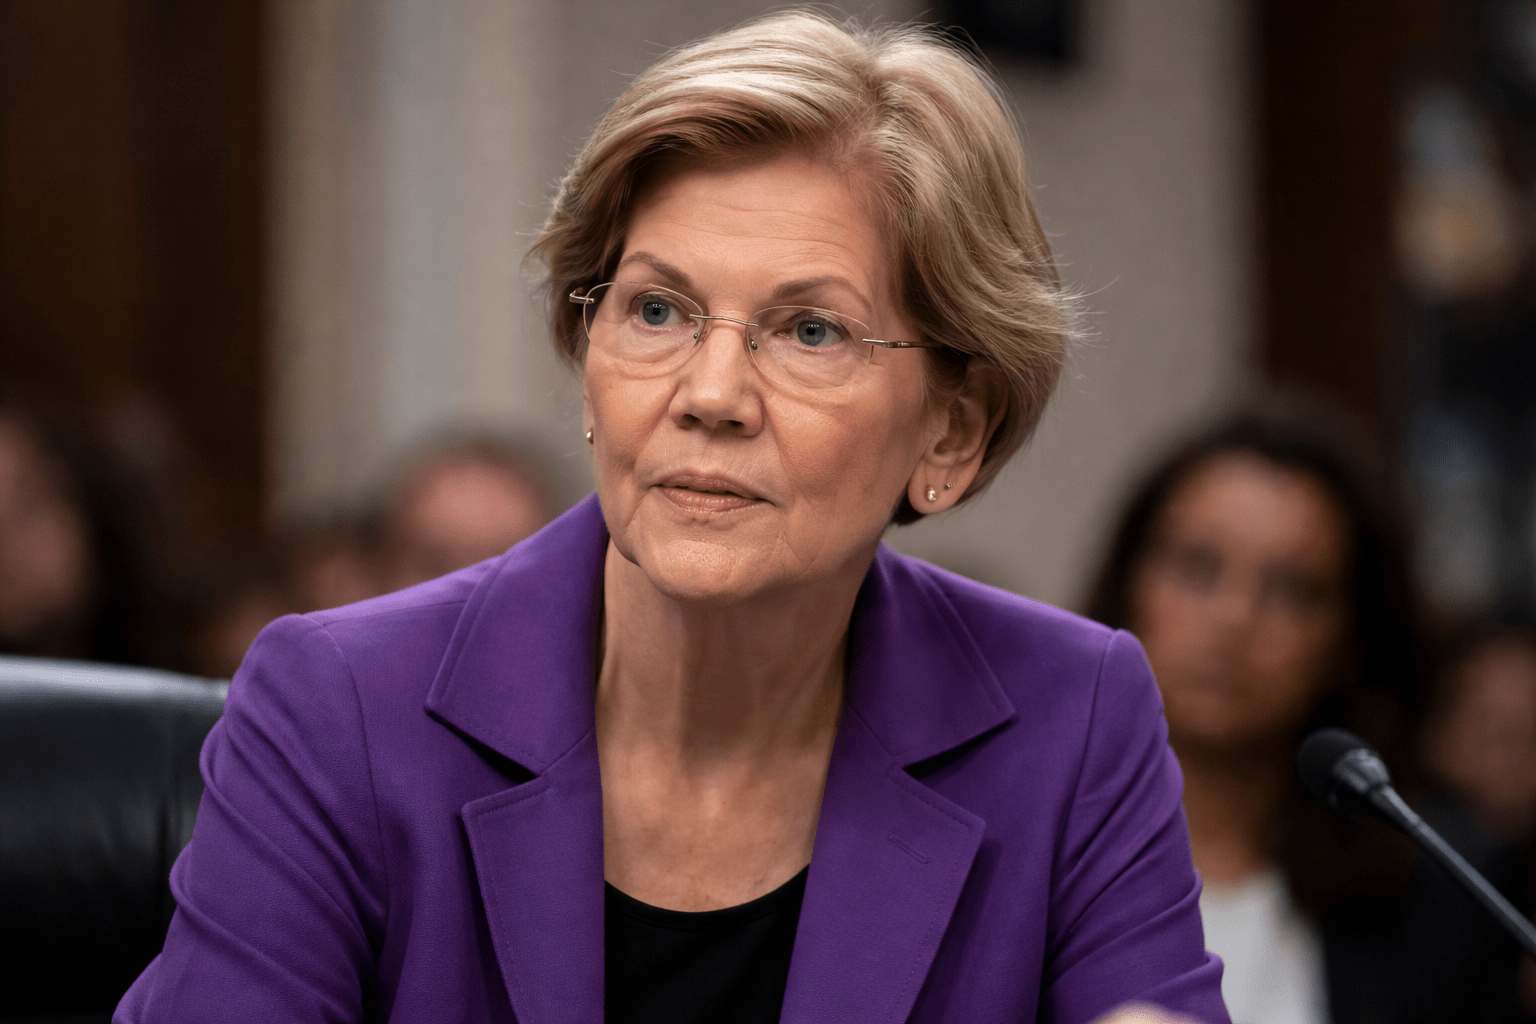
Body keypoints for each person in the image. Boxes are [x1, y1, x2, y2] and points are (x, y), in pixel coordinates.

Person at [117, 12, 1227, 1023]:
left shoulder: (1072, 724)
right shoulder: (340, 708)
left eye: (811, 331)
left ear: (952, 432)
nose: (709, 393)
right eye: (656, 309)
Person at [1087, 402, 1528, 1024]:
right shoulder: (1017, 848)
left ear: (1350, 639)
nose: (1234, 619)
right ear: (1128, 584)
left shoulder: (1441, 886)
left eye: (1292, 589)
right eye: (1197, 567)